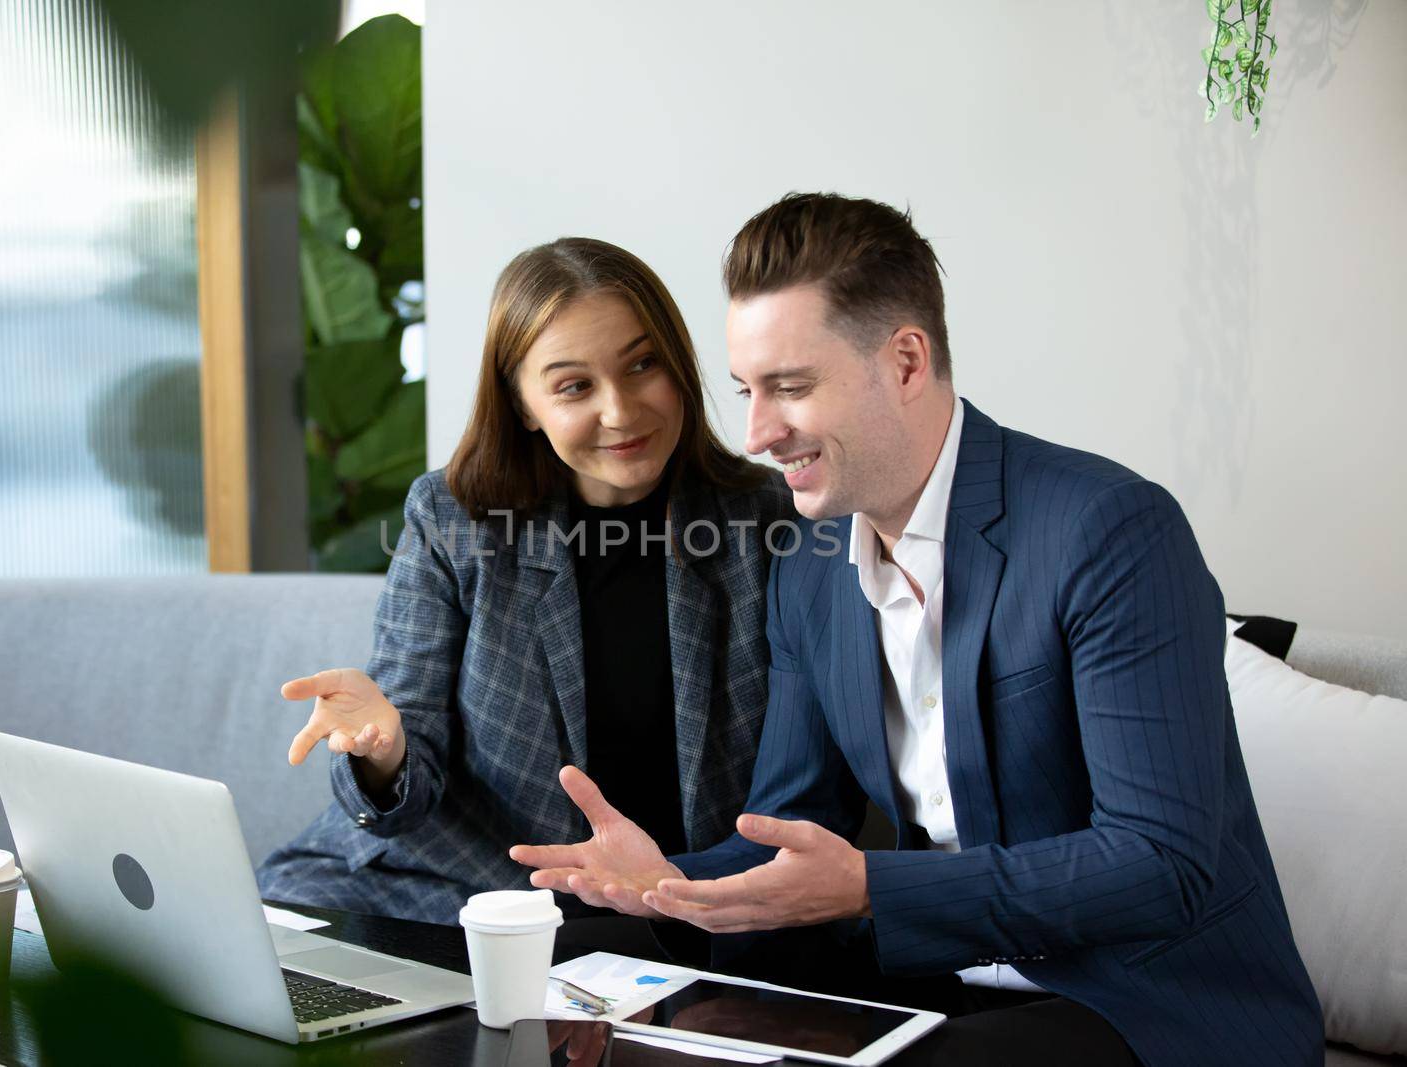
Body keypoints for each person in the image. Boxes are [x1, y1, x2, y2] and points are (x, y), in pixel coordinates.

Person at [511, 194, 1324, 1065]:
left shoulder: (1110, 530)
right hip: (937, 978)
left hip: (1145, 1001)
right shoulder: (815, 563)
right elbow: (787, 824)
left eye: (790, 387)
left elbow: (1161, 862)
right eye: (748, 390)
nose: (757, 433)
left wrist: (871, 887)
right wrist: (668, 878)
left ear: (904, 360)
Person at [257, 238, 793, 933]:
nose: (621, 411)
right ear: (524, 403)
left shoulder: (767, 517)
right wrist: (385, 749)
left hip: (674, 906)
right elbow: (405, 778)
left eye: (642, 364)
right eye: (574, 386)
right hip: (458, 893)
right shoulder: (453, 520)